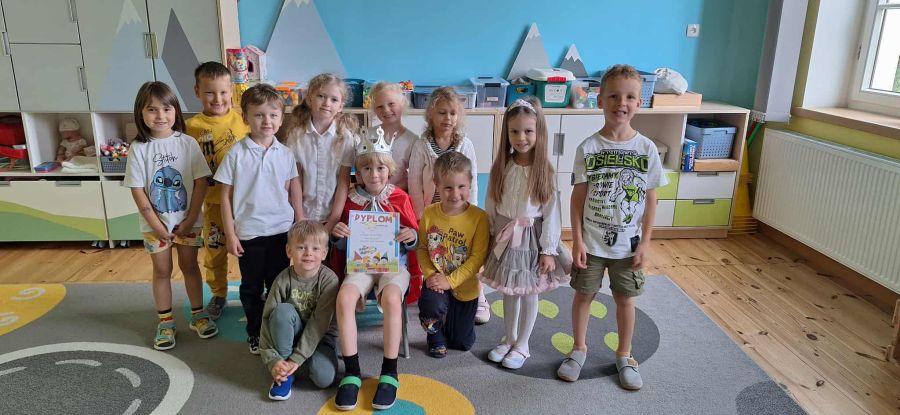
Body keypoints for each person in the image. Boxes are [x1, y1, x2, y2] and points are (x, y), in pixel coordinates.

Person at [556, 64, 667, 390]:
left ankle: (624, 355)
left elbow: (651, 200)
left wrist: (645, 242)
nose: (622, 103)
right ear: (601, 100)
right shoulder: (588, 147)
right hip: (591, 244)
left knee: (625, 300)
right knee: (584, 295)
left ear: (639, 103)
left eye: (630, 97)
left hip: (628, 246)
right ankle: (578, 350)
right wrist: (576, 241)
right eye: (615, 96)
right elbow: (577, 199)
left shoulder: (646, 149)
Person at [124, 81, 218, 350]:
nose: (160, 115)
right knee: (162, 271)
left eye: (166, 109)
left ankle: (198, 315)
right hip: (154, 227)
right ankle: (165, 322)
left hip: (188, 223)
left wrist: (190, 219)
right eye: (152, 109)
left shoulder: (187, 143)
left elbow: (201, 182)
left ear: (175, 110)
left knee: (190, 267)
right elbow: (138, 191)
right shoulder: (138, 148)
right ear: (141, 113)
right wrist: (156, 226)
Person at [479, 97, 572, 369]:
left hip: (532, 240)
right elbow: (491, 204)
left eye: (528, 131)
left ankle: (523, 344)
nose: (521, 138)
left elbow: (552, 214)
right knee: (510, 291)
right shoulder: (502, 167)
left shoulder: (545, 171)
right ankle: (509, 338)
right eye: (515, 131)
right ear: (507, 134)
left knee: (529, 291)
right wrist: (489, 236)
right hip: (505, 236)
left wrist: (548, 250)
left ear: (538, 132)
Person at [330, 127, 419, 411]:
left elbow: (414, 240)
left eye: (380, 168)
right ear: (358, 171)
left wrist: (410, 236)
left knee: (392, 298)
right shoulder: (350, 199)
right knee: (344, 298)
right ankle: (352, 371)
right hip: (361, 266)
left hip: (394, 266)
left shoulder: (399, 198)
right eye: (367, 168)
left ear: (389, 170)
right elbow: (343, 245)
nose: (374, 174)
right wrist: (338, 235)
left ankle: (389, 372)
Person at [215, 84, 302, 354]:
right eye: (259, 115)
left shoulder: (286, 153)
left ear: (281, 119)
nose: (267, 121)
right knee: (251, 287)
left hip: (281, 232)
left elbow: (293, 190)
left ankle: (277, 330)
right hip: (249, 233)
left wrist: (299, 223)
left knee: (278, 285)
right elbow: (224, 197)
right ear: (245, 117)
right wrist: (230, 234)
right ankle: (254, 331)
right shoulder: (235, 154)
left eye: (273, 115)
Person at [407, 86, 490, 324]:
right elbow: (414, 182)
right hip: (434, 214)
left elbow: (472, 181)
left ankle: (477, 295)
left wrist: (471, 212)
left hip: (461, 212)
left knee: (463, 254)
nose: (448, 118)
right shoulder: (422, 145)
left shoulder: (465, 144)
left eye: (453, 113)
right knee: (439, 253)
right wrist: (419, 215)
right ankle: (435, 287)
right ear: (430, 115)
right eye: (442, 113)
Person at [186, 62, 250, 320]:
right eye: (210, 92)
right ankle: (219, 293)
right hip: (213, 204)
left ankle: (254, 291)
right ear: (197, 91)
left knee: (251, 250)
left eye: (223, 92)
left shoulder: (244, 120)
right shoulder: (190, 127)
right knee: (215, 251)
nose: (218, 99)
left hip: (246, 204)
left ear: (231, 91)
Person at [416, 152, 489, 358]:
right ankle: (434, 333)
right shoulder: (429, 213)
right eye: (448, 188)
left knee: (462, 343)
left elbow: (477, 258)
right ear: (437, 185)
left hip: (465, 286)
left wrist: (450, 281)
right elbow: (422, 248)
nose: (455, 194)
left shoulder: (480, 218)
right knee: (431, 305)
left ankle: (449, 322)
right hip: (435, 282)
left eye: (461, 187)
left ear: (470, 183)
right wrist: (431, 275)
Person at [259, 221, 339, 401]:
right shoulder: (282, 280)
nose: (308, 253)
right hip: (290, 335)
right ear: (289, 251)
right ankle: (285, 374)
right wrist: (272, 360)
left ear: (324, 253)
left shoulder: (330, 280)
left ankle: (295, 362)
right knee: (282, 312)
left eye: (315, 248)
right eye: (301, 247)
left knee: (324, 379)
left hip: (321, 339)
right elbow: (266, 319)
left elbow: (318, 325)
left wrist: (297, 358)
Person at [368, 81, 422, 303]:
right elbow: (359, 171)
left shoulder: (412, 141)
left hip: (397, 206)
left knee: (398, 248)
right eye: (380, 106)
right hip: (369, 205)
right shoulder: (368, 135)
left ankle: (394, 286)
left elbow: (414, 179)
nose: (386, 110)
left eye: (391, 104)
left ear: (403, 104)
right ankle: (369, 281)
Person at [284, 73, 358, 233]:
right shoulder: (297, 135)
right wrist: (300, 217)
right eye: (321, 96)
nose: (326, 103)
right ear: (309, 99)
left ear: (341, 106)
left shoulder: (345, 137)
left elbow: (343, 182)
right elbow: (295, 179)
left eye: (334, 99)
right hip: (302, 214)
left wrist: (332, 221)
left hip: (333, 217)